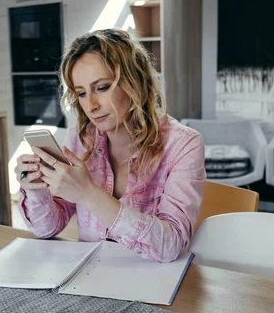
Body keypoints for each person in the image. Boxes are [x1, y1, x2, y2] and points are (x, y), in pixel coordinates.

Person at [15, 29, 205, 263]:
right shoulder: (81, 138)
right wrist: (36, 189)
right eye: (81, 93)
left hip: (154, 284)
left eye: (102, 88)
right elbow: (46, 229)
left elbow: (170, 245)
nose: (90, 105)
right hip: (89, 277)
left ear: (134, 81)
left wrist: (88, 194)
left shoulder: (183, 145)